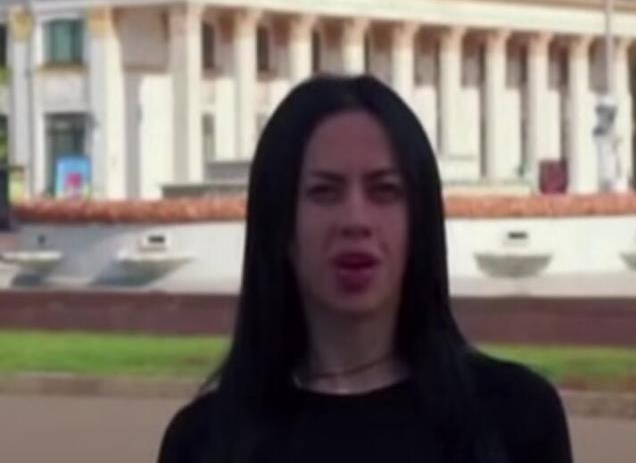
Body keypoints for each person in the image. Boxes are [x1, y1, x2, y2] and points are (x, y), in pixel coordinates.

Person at [157, 75, 573, 463]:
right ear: (279, 223)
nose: (356, 220)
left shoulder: (516, 419)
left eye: (384, 190)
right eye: (324, 192)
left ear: (419, 220)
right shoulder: (204, 442)